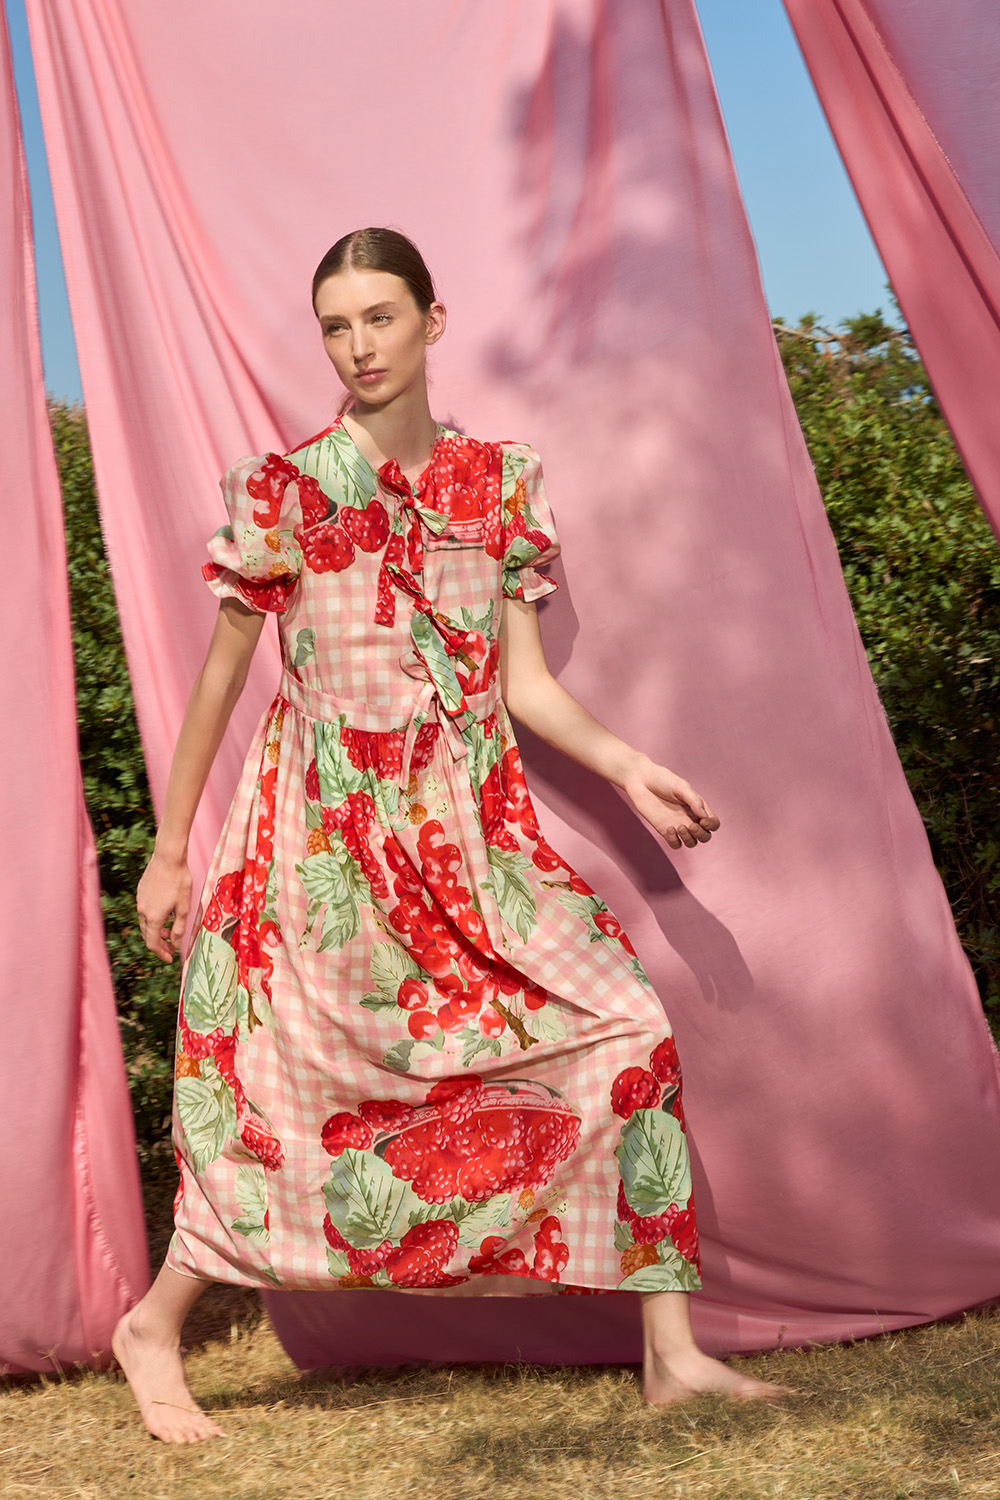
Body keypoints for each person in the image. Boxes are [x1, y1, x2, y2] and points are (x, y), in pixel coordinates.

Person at [114, 226, 787, 1443]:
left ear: (431, 321)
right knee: (277, 1095)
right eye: (335, 326)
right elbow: (219, 681)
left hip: (470, 836)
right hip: (323, 843)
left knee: (626, 1028)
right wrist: (171, 851)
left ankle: (672, 1353)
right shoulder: (285, 489)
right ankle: (154, 1324)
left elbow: (521, 686)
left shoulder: (501, 481)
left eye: (379, 317)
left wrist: (630, 768)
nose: (357, 345)